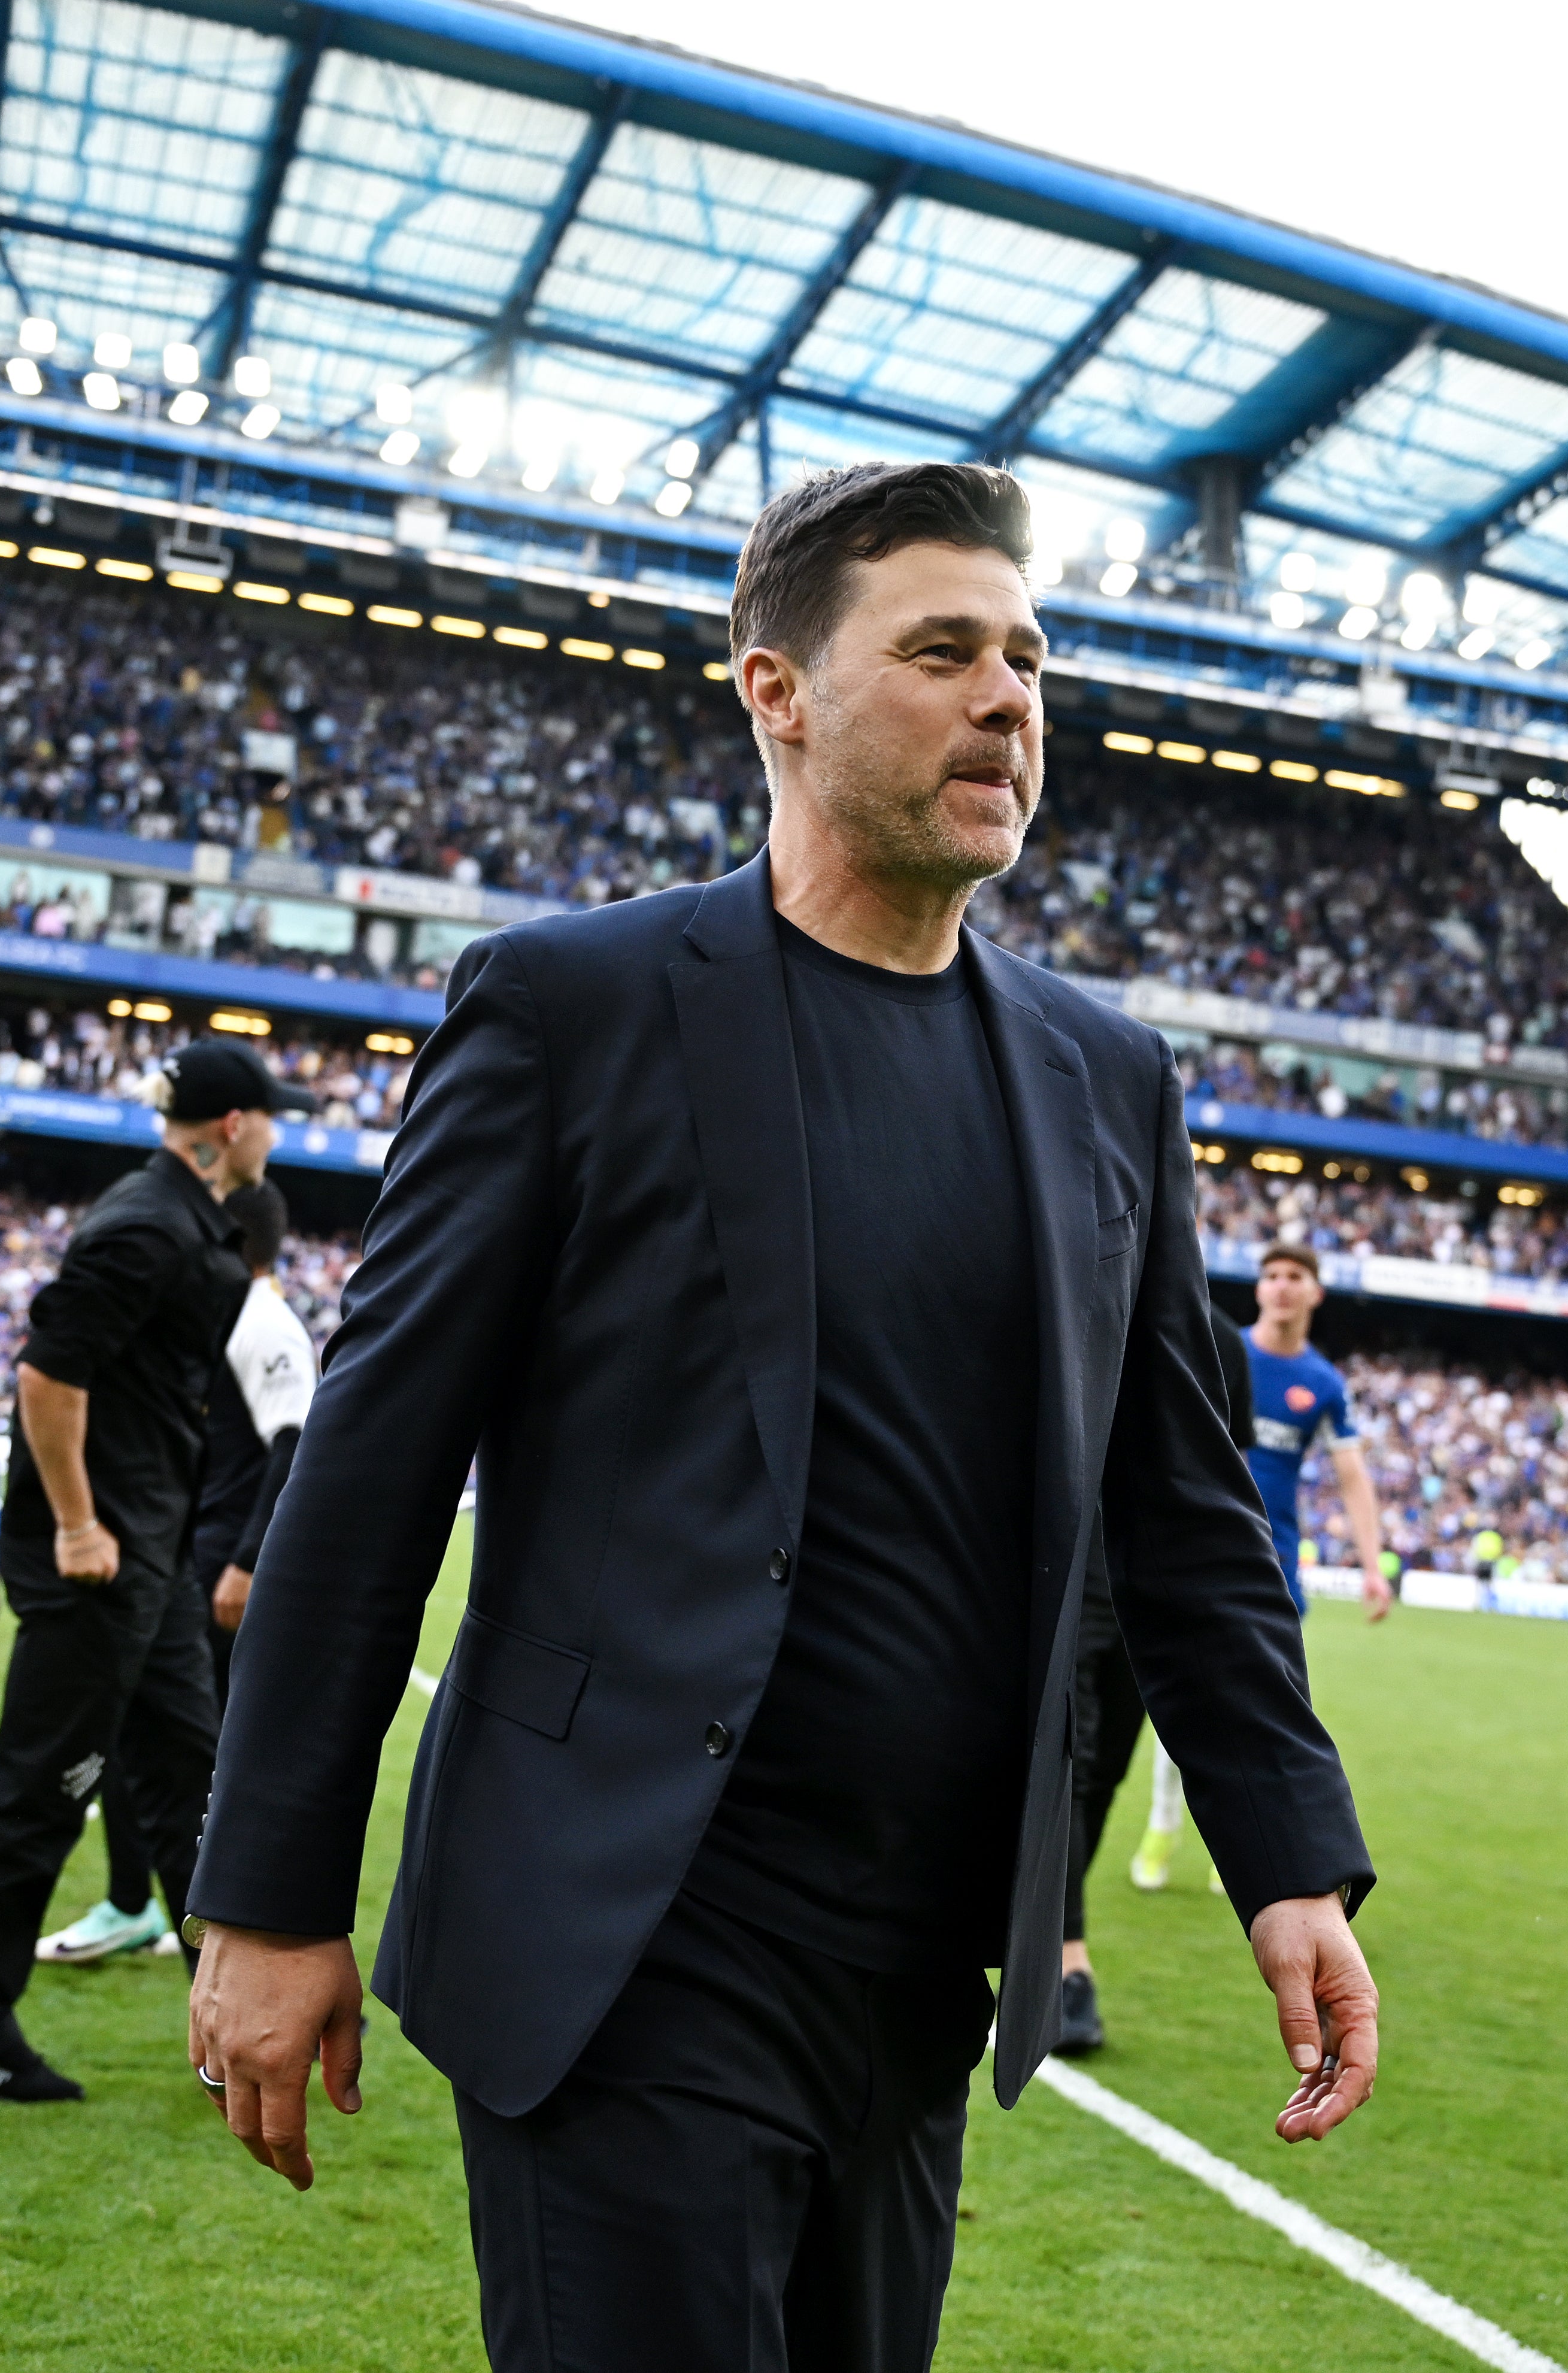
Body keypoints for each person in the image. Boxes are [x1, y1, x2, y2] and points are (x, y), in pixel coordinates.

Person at [184, 460, 1379, 2373]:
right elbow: (373, 1466)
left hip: (919, 1969)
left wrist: (1287, 1856)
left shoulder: (1103, 1079)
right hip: (627, 1940)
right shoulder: (571, 1009)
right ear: (776, 693)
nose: (1007, 700)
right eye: (941, 652)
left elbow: (1179, 1506)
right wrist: (264, 1893)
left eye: (1026, 658)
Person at [0, 1039, 299, 2102]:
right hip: (98, 1560)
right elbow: (47, 1376)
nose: (277, 1133)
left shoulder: (186, 1217)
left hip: (155, 1556)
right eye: (271, 1116)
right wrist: (78, 1524)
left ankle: (227, 2028)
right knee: (46, 1789)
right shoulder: (146, 1223)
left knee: (196, 1787)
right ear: (234, 1126)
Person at [45, 1178, 312, 1967]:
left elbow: (296, 1442)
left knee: (196, 1754)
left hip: (223, 1571)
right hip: (185, 1560)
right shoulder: (221, 1311)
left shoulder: (265, 1319)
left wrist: (245, 1561)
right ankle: (135, 1901)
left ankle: (235, 1932)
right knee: (144, 1739)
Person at [1129, 1241, 1390, 1897]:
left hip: (1272, 1566)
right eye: (1270, 1275)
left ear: (1314, 1293)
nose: (1278, 1285)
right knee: (1185, 1701)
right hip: (1197, 1550)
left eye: (1293, 1276)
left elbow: (1352, 1478)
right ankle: (1163, 1824)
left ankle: (1241, 1842)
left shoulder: (1323, 1385)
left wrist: (1372, 1566)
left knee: (1267, 1705)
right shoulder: (1218, 1348)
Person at [1051, 1316, 1252, 2059]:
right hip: (1062, 1565)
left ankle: (1047, 1938)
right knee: (1067, 1763)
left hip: (1153, 1586)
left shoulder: (1220, 1343)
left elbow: (1221, 1471)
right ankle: (1070, 1964)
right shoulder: (1075, 1283)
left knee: (1101, 1773)